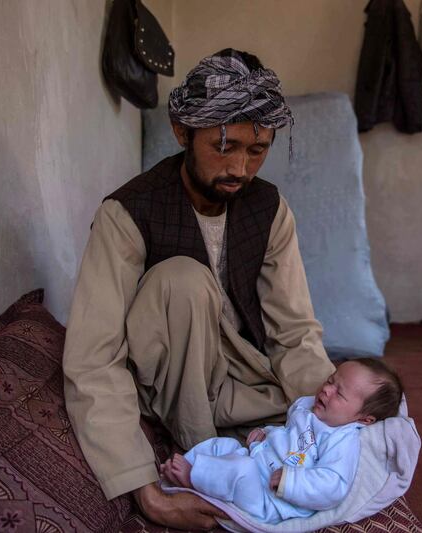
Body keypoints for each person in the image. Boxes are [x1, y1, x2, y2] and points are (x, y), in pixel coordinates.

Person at [62, 49, 336, 530]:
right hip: (166, 377)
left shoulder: (269, 209)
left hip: (242, 382)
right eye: (224, 147)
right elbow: (94, 360)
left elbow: (293, 333)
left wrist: (341, 421)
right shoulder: (127, 213)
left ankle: (236, 452)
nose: (241, 169)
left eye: (258, 150)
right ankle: (200, 457)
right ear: (182, 133)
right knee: (182, 279)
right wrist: (146, 493)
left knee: (355, 405)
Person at [159, 359, 404, 524]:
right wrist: (265, 436)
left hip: (269, 500)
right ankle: (178, 470)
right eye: (331, 380)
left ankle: (193, 477)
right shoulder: (311, 411)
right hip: (259, 463)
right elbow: (290, 437)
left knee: (240, 470)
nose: (327, 390)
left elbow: (333, 485)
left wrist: (292, 481)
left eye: (339, 393)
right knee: (224, 445)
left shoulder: (342, 439)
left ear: (364, 418)